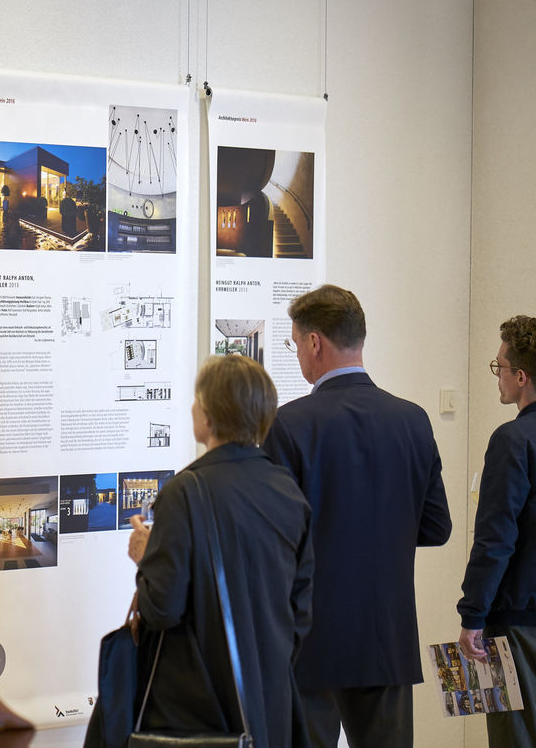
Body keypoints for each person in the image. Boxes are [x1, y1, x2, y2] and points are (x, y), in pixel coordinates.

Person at [262, 284, 451, 748]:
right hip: (387, 638)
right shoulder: (413, 419)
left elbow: (272, 536)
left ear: (314, 343)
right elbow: (437, 527)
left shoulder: (290, 423)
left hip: (312, 641)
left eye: (294, 343)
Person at [129, 355, 313, 748]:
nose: (192, 408)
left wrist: (146, 558)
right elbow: (301, 608)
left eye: (198, 400)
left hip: (201, 709)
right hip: (270, 700)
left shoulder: (184, 493)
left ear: (210, 415)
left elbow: (161, 609)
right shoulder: (288, 492)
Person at [458, 315, 536, 747]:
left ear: (521, 377)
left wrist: (472, 615)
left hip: (514, 628)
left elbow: (496, 538)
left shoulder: (512, 439)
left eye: (499, 367)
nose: (497, 375)